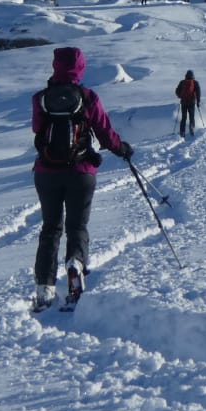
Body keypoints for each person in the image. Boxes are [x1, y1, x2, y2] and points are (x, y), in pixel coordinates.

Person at [30, 46, 132, 311]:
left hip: (46, 173)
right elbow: (106, 133)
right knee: (77, 226)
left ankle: (44, 288)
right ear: (80, 68)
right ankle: (75, 265)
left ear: (56, 66)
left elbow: (38, 130)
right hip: (81, 172)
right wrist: (122, 149)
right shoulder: (88, 97)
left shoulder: (41, 99)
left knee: (50, 229)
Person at [175, 70, 201, 137]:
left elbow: (177, 91)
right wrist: (198, 102)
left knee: (184, 117)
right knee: (191, 117)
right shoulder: (195, 83)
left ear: (186, 75)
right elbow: (198, 93)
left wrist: (180, 96)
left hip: (183, 102)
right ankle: (191, 128)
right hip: (191, 102)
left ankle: (182, 131)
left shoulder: (182, 82)